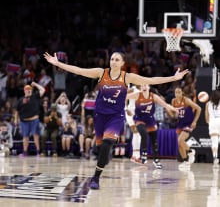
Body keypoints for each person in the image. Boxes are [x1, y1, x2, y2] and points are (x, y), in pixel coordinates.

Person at [44, 51, 189, 190]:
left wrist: (173, 78)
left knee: (107, 143)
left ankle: (96, 177)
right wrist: (58, 64)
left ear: (123, 63)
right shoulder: (102, 73)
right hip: (100, 116)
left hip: (116, 116)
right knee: (101, 150)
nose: (113, 62)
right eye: (112, 59)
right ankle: (104, 156)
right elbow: (79, 70)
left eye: (117, 60)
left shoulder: (127, 77)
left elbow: (150, 80)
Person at [126, 84, 178, 169]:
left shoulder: (153, 96)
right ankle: (144, 153)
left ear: (149, 87)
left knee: (154, 142)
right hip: (139, 119)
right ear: (141, 87)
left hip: (150, 120)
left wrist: (173, 109)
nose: (144, 87)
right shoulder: (137, 94)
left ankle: (156, 160)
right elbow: (124, 97)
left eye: (146, 85)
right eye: (143, 86)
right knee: (143, 133)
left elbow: (165, 104)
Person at [171, 87, 201, 169]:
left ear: (182, 93)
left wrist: (194, 121)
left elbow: (199, 109)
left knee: (180, 140)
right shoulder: (173, 101)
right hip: (180, 123)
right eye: (176, 92)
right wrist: (172, 113)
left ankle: (191, 152)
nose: (177, 93)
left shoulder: (186, 100)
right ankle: (185, 162)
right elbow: (173, 114)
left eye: (179, 92)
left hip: (188, 123)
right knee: (179, 144)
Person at [14, 82, 45, 157]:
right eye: (27, 89)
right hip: (24, 121)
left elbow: (43, 90)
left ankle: (38, 152)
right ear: (24, 91)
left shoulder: (35, 96)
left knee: (36, 135)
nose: (29, 90)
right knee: (25, 137)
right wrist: (15, 119)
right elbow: (16, 111)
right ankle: (25, 152)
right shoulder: (20, 100)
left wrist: (35, 84)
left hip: (34, 120)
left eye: (30, 89)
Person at [205, 89, 220, 169]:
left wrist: (209, 122)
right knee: (217, 141)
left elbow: (206, 117)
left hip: (213, 122)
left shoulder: (208, 104)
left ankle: (215, 157)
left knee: (214, 142)